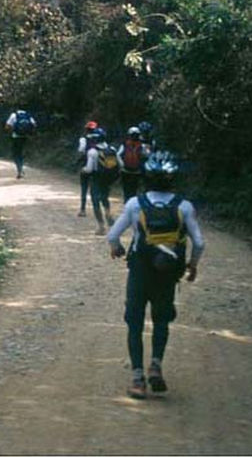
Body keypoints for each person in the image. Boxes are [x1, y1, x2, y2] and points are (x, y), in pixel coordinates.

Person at [107, 150, 205, 399]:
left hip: (140, 271)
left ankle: (138, 378)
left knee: (135, 322)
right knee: (161, 321)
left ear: (146, 177)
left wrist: (116, 248)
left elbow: (112, 236)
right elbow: (199, 243)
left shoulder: (135, 204)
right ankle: (156, 366)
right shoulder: (184, 206)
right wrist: (192, 266)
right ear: (173, 179)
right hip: (167, 274)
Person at [82, 128, 122, 235]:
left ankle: (101, 226)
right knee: (105, 197)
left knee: (95, 202)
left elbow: (89, 169)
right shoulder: (112, 149)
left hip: (96, 178)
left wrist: (83, 170)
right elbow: (121, 164)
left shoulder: (92, 151)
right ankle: (108, 214)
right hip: (108, 179)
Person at [5, 108, 37, 179]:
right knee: (21, 152)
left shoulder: (14, 115)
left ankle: (20, 170)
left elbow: (7, 126)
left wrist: (12, 130)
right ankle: (21, 167)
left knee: (16, 154)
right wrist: (30, 133)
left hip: (16, 137)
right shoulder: (28, 115)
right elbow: (34, 124)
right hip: (25, 137)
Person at [76, 120, 98, 217]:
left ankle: (83, 209)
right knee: (94, 189)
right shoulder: (99, 139)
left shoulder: (83, 139)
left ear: (86, 129)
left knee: (84, 188)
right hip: (97, 166)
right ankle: (96, 210)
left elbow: (81, 150)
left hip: (85, 165)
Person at [117, 126, 144, 202]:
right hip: (130, 171)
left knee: (129, 190)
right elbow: (118, 154)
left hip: (132, 171)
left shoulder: (140, 145)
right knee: (130, 190)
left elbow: (118, 154)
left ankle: (128, 204)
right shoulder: (127, 144)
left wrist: (121, 165)